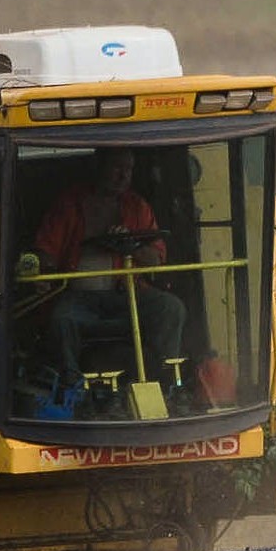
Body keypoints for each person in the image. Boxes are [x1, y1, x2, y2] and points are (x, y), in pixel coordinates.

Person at [32, 148, 185, 389]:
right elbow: (46, 252)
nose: (123, 176)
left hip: (127, 294)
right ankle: (71, 385)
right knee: (61, 319)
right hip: (79, 297)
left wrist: (130, 247)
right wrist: (43, 272)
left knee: (171, 308)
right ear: (99, 167)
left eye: (129, 169)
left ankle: (165, 382)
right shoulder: (69, 204)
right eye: (117, 168)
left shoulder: (137, 207)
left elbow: (156, 258)